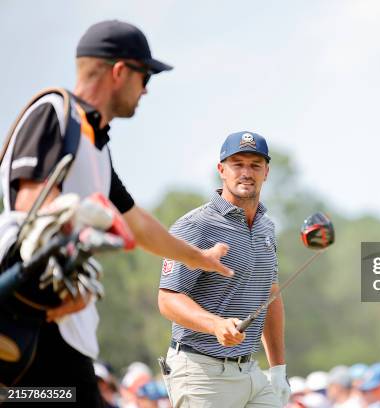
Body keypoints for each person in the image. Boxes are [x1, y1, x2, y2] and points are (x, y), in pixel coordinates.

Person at [0, 20, 231, 406]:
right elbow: (31, 199)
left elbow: (134, 221)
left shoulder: (96, 145)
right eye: (144, 76)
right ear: (119, 71)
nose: (146, 89)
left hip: (64, 331)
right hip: (38, 324)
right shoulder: (53, 111)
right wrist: (88, 222)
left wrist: (199, 258)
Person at [158, 131, 290, 407]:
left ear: (266, 172)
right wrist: (215, 324)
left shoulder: (267, 227)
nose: (246, 172)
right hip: (200, 371)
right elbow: (168, 300)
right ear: (221, 170)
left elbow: (271, 296)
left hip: (249, 371)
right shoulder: (196, 225)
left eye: (255, 165)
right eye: (237, 164)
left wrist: (278, 369)